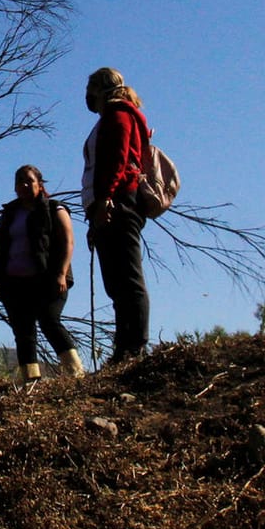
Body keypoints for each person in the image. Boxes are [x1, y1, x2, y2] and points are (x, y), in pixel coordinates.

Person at [0, 164, 86, 385]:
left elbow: (68, 241)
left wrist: (61, 273)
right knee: (23, 331)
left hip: (47, 279)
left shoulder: (54, 209)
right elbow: (0, 248)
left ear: (39, 184)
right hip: (14, 283)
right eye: (19, 181)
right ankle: (31, 380)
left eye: (28, 180)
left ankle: (76, 373)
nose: (23, 185)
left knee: (49, 320)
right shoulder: (10, 213)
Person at [80, 67, 151, 365]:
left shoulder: (119, 115)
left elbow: (118, 159)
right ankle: (124, 349)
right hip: (107, 205)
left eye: (90, 87)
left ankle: (135, 347)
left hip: (119, 203)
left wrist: (106, 197)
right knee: (116, 281)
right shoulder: (109, 117)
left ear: (100, 89)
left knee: (128, 278)